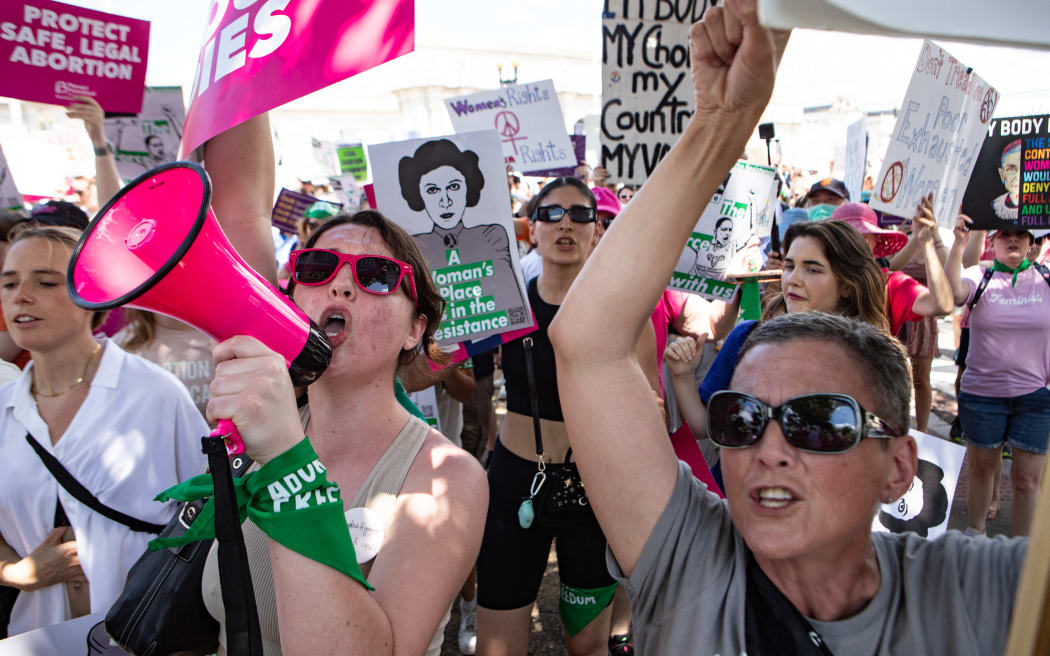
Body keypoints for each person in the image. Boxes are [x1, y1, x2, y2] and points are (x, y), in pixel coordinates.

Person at [550, 5, 1027, 654]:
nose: (767, 450)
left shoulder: (972, 594)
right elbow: (588, 344)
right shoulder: (691, 564)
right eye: (742, 419)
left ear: (899, 468)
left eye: (819, 421)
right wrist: (721, 123)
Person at [197, 210, 487, 655]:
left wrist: (284, 466)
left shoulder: (449, 477)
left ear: (415, 329)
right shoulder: (251, 437)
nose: (341, 284)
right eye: (317, 267)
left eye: (376, 274)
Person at [476, 177, 660, 656]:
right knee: (497, 645)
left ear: (596, 230)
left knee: (587, 645)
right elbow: (447, 374)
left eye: (580, 214)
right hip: (517, 481)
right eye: (551, 213)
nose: (565, 223)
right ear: (530, 229)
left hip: (595, 487)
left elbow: (650, 411)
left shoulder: (625, 313)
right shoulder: (504, 305)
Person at [0, 224, 207, 636]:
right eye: (8, 283)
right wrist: (16, 573)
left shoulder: (154, 395)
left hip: (144, 635)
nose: (20, 296)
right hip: (36, 636)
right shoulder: (4, 406)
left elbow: (212, 516)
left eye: (45, 282)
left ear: (91, 292)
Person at [668, 218, 890, 441]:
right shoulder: (747, 336)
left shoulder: (869, 357)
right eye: (790, 266)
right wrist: (683, 376)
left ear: (847, 286)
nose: (793, 279)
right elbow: (705, 427)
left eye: (812, 269)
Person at [946, 218, 1050, 537]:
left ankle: (1019, 555)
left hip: (1035, 398)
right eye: (1006, 234)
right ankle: (975, 540)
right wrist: (957, 245)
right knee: (981, 470)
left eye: (1021, 234)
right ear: (993, 241)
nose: (1014, 240)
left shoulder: (1046, 280)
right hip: (982, 396)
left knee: (1027, 480)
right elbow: (951, 292)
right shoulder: (981, 275)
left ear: (1033, 241)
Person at [398, 139, 530, 340]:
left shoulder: (492, 236)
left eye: (453, 187)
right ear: (419, 196)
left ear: (468, 189)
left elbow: (508, 306)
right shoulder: (411, 246)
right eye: (433, 190)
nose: (445, 201)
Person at [832, 199, 954, 336]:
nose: (853, 245)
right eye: (843, 238)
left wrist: (926, 242)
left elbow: (941, 305)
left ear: (874, 241)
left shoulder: (891, 284)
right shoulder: (815, 275)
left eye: (863, 237)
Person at [991, 139, 1021, 221]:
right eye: (1011, 169)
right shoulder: (995, 206)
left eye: (1025, 169)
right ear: (1002, 174)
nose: (1018, 177)